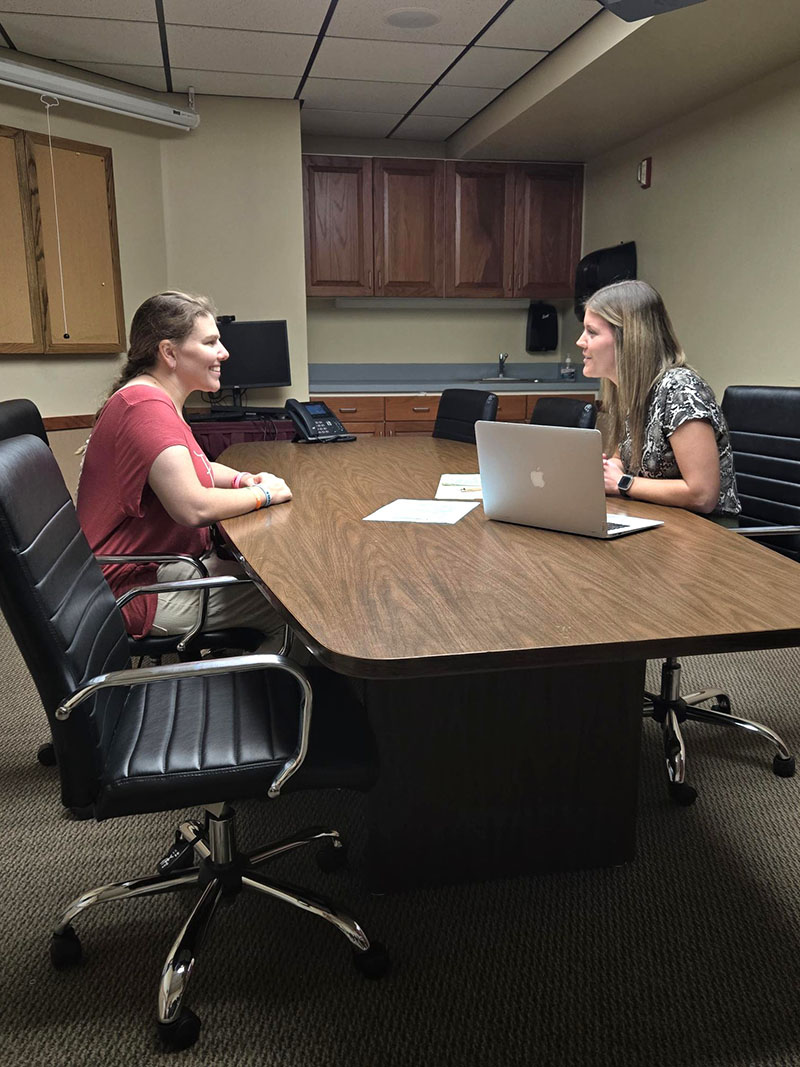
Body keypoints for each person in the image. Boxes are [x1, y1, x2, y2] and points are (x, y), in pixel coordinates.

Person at [77, 290, 294, 651]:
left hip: (148, 570)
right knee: (286, 610)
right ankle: (250, 700)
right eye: (211, 342)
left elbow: (196, 465)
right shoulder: (145, 408)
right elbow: (193, 508)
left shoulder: (150, 397)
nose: (224, 353)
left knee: (274, 579)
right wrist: (264, 495)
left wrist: (243, 480)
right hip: (134, 592)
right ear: (169, 352)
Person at [577, 279, 740, 517]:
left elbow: (702, 494)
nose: (580, 341)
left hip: (708, 534)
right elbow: (623, 459)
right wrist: (607, 469)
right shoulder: (631, 389)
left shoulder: (681, 390)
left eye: (591, 332)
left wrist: (622, 483)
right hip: (656, 520)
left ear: (629, 338)